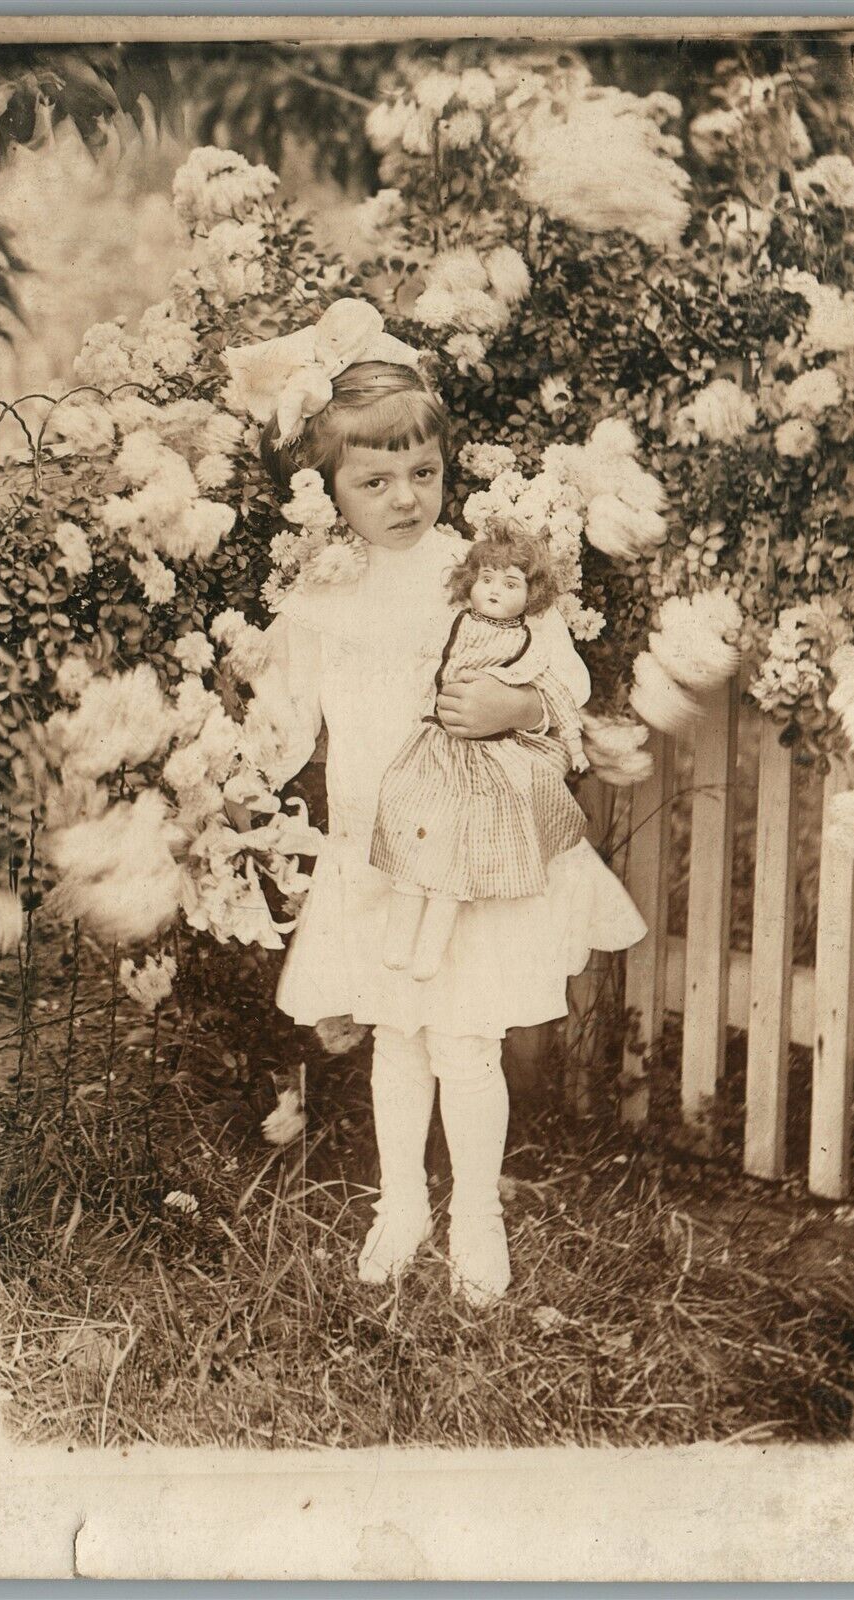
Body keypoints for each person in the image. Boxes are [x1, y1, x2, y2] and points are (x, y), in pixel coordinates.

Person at [238, 300, 646, 1307]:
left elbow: (560, 687)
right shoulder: (318, 599)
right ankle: (401, 1202)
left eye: (423, 472)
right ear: (327, 488)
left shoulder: (475, 577)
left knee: (466, 1037)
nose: (404, 497)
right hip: (377, 858)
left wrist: (518, 701)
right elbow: (283, 726)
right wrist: (243, 755)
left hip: (471, 856)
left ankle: (476, 1211)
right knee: (396, 1034)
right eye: (373, 480)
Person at [370, 530, 592, 982]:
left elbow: (558, 694)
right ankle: (399, 934)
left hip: (486, 757)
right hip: (435, 744)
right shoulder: (453, 622)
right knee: (413, 820)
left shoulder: (527, 644)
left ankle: (430, 948)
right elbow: (419, 663)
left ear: (532, 596)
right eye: (487, 578)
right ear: (470, 580)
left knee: (459, 847)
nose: (494, 590)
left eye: (511, 584)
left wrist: (573, 744)